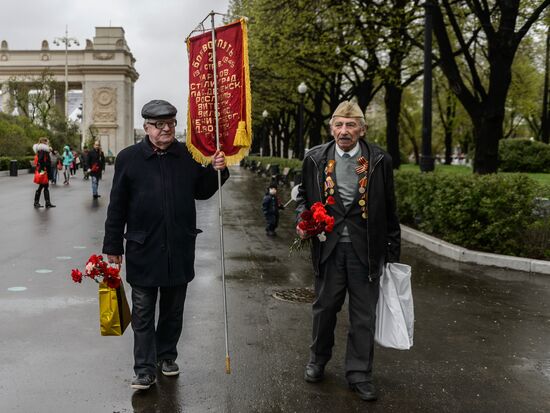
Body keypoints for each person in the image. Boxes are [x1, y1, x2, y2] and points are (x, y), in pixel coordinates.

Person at [102, 99, 229, 391]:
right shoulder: (129, 158)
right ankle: (144, 368)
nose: (166, 130)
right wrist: (112, 247)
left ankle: (167, 355)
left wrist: (216, 169)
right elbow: (116, 206)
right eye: (159, 125)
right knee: (143, 311)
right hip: (143, 249)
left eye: (170, 124)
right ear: (146, 128)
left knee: (173, 310)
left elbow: (203, 191)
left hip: (179, 246)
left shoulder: (188, 155)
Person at [295, 101, 400, 402]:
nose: (344, 131)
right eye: (339, 125)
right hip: (328, 249)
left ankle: (359, 373)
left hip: (365, 251)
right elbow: (302, 196)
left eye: (351, 125)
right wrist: (303, 221)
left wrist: (392, 254)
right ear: (331, 129)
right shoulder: (315, 158)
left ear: (362, 129)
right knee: (325, 309)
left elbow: (390, 208)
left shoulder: (379, 160)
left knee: (363, 316)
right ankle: (317, 361)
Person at [32, 137, 56, 208]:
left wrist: (51, 150)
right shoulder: (42, 150)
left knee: (45, 186)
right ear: (44, 142)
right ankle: (38, 202)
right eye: (47, 142)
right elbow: (41, 160)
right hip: (43, 170)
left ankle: (46, 202)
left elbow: (53, 153)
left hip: (44, 170)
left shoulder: (44, 150)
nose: (48, 143)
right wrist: (43, 169)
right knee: (42, 185)